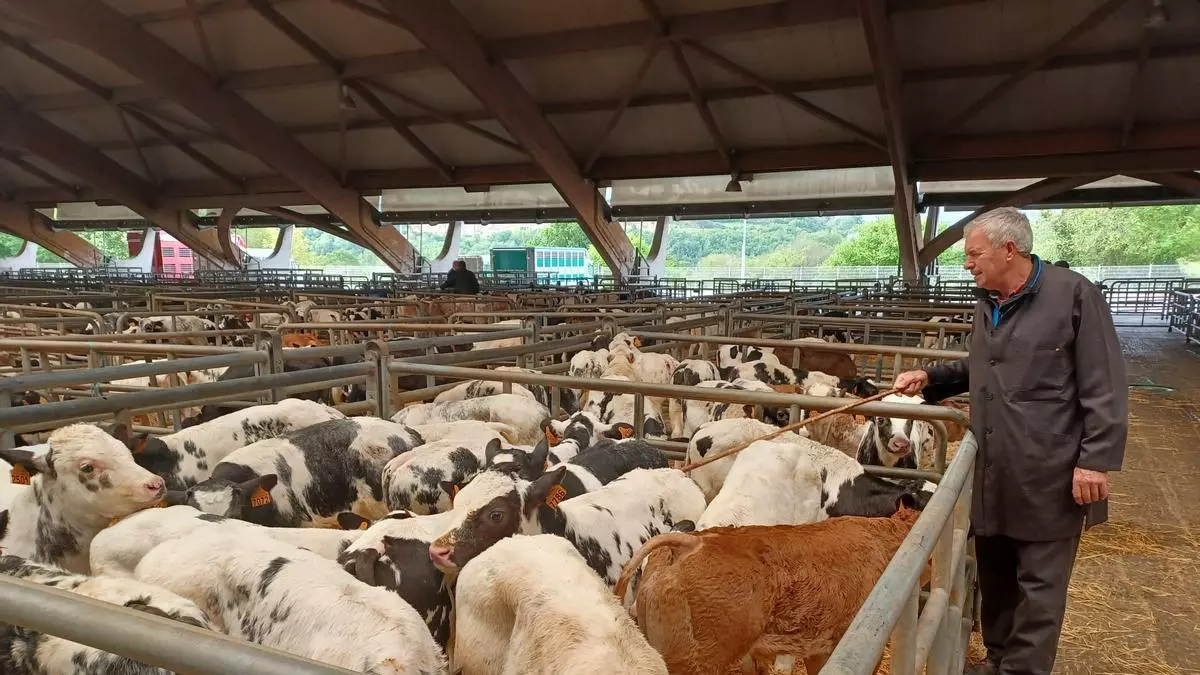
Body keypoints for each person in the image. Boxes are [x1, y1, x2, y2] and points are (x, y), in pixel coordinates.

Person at [894, 207, 1127, 675]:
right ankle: (999, 660)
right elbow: (984, 365)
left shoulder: (1073, 294)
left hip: (1051, 468)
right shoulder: (989, 301)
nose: (967, 264)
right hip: (994, 464)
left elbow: (1105, 382)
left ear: (1008, 249)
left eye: (974, 254)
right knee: (996, 575)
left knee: (1039, 586)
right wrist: (931, 376)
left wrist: (1095, 459)